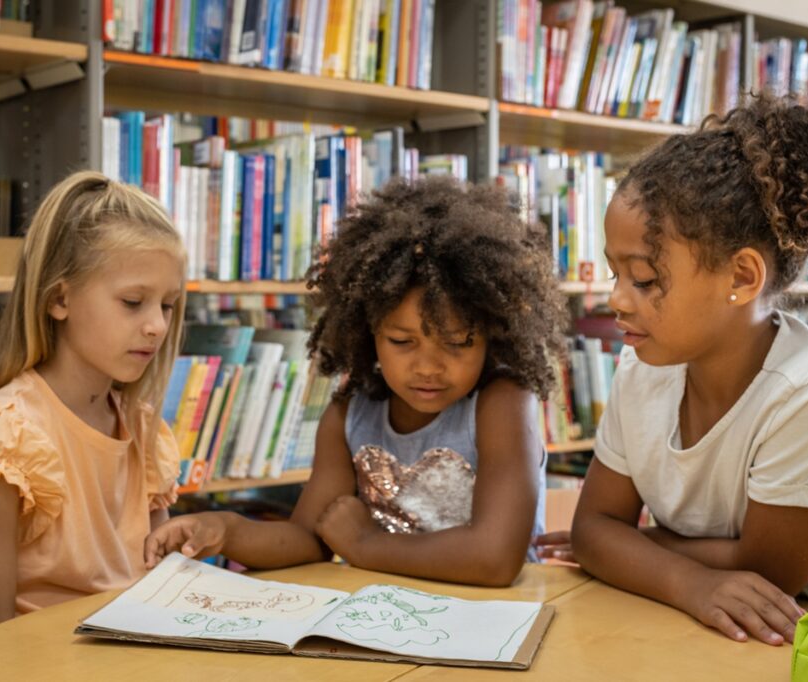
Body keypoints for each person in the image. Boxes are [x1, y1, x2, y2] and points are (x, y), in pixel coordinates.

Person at [554, 94, 808, 646]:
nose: (616, 301)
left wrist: (639, 546)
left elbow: (769, 577)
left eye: (645, 280)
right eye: (614, 274)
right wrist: (684, 577)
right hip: (730, 630)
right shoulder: (642, 367)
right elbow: (592, 532)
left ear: (742, 278)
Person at [145, 175, 567, 586]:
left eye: (456, 343)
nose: (428, 366)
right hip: (388, 623)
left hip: (497, 627)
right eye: (402, 341)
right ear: (368, 332)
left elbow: (494, 559)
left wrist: (365, 544)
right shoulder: (350, 414)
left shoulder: (503, 404)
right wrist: (225, 529)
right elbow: (307, 539)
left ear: (493, 336)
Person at [0, 171, 186, 639]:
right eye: (132, 302)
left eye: (166, 306)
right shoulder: (4, 437)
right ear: (59, 299)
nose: (156, 327)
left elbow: (160, 590)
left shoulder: (142, 429)